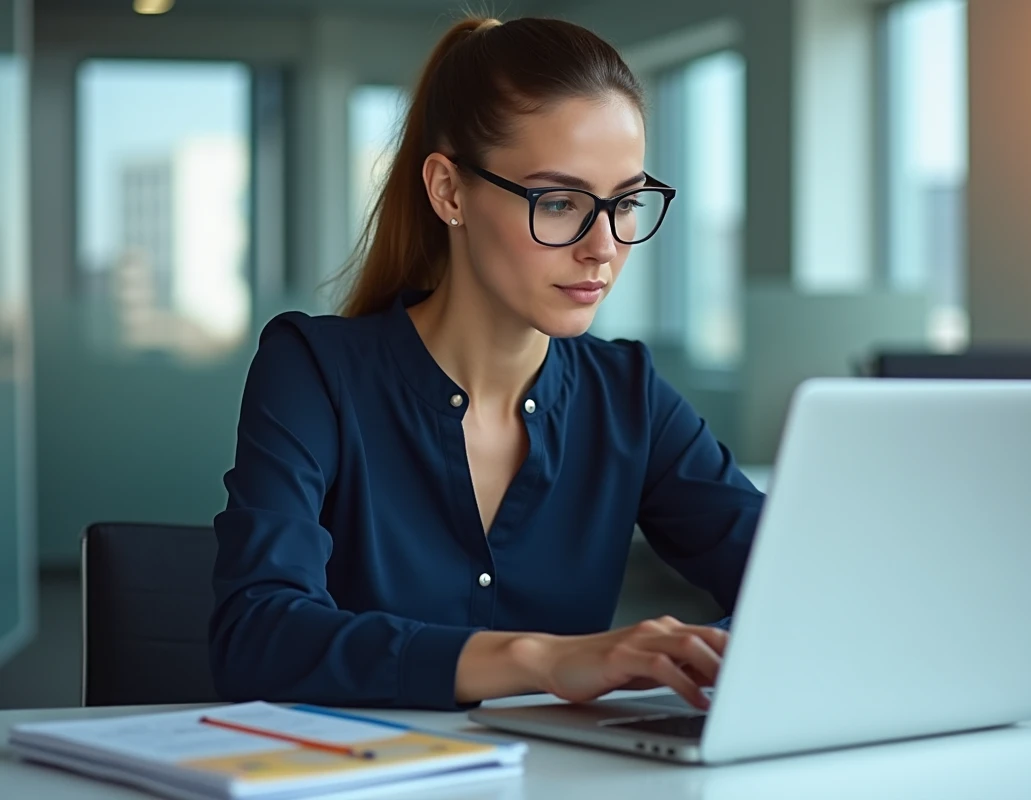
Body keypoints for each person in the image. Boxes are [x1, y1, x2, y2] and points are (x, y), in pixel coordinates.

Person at [209, 15, 764, 713]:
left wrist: (697, 654)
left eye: (624, 203)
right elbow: (256, 638)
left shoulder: (628, 396)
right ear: (448, 192)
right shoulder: (315, 372)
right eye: (559, 202)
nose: (603, 246)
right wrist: (544, 659)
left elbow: (798, 584)